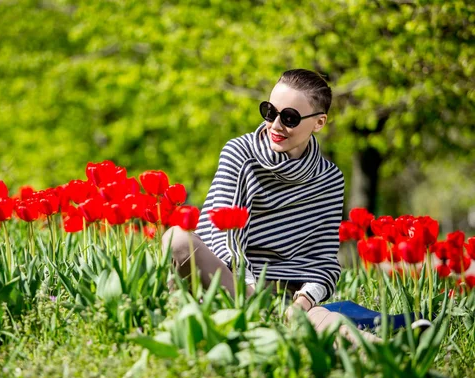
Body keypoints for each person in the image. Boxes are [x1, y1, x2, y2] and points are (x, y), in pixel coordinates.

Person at [162, 69, 380, 342]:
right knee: (177, 239)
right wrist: (251, 295)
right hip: (228, 281)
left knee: (327, 322)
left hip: (287, 297)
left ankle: (392, 356)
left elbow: (324, 262)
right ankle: (262, 321)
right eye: (269, 112)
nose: (276, 125)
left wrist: (302, 303)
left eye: (289, 118)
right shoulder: (240, 154)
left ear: (319, 122)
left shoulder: (329, 178)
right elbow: (224, 239)